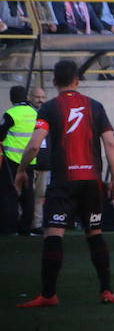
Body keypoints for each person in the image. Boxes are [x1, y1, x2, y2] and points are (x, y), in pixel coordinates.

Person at [14, 60, 114, 307]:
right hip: (92, 181)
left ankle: (49, 295)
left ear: (54, 82)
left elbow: (33, 144)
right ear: (78, 81)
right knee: (94, 233)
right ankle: (106, 291)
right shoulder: (95, 106)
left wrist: (21, 170)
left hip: (64, 182)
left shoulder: (50, 108)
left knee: (53, 233)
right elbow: (110, 145)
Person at [0, 85, 37, 234]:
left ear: (11, 98)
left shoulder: (11, 114)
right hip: (30, 160)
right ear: (26, 97)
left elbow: (1, 134)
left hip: (12, 160)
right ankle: (25, 228)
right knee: (28, 195)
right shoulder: (35, 112)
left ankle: (9, 228)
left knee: (9, 194)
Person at [27, 86, 49, 235]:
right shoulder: (27, 114)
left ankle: (36, 225)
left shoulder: (46, 113)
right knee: (26, 195)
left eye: (42, 97)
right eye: (37, 97)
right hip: (28, 161)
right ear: (29, 97)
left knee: (40, 196)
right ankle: (24, 224)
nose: (40, 100)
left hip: (43, 162)